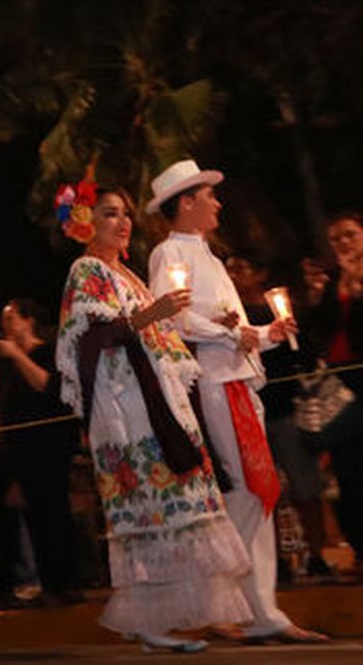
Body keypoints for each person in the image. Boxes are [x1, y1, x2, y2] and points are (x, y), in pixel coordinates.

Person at [55, 177, 249, 652]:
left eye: (124, 214)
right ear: (86, 223)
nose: (121, 223)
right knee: (147, 508)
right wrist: (153, 313)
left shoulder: (131, 276)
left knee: (172, 506)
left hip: (159, 400)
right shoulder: (86, 271)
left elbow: (156, 335)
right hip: (126, 408)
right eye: (108, 213)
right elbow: (94, 337)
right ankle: (147, 620)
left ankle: (161, 618)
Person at [147, 159, 325, 643]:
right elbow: (176, 322)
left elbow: (234, 330)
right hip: (215, 386)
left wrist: (269, 332)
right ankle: (233, 603)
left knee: (256, 493)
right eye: (209, 196)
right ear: (187, 202)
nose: (217, 203)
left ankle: (251, 606)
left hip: (240, 382)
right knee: (248, 492)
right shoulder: (168, 255)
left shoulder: (210, 257)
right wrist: (236, 335)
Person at [225, 252, 328, 581]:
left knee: (304, 486)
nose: (235, 275)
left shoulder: (278, 314)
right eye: (230, 270)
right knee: (262, 491)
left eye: (241, 266)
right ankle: (276, 563)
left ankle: (317, 555)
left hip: (285, 410)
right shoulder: (231, 318)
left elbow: (306, 356)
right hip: (250, 415)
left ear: (260, 273)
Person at [0, 298, 83, 604]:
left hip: (49, 448)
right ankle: (48, 585)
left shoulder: (48, 351)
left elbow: (45, 385)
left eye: (12, 319)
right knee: (32, 518)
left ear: (29, 320)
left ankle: (68, 583)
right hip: (18, 453)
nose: (6, 326)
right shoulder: (5, 361)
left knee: (55, 515)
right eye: (4, 321)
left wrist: (18, 355)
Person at [302, 211, 363, 562]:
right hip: (339, 384)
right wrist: (317, 295)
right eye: (336, 238)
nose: (342, 243)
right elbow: (319, 331)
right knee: (347, 473)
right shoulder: (333, 279)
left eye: (349, 235)